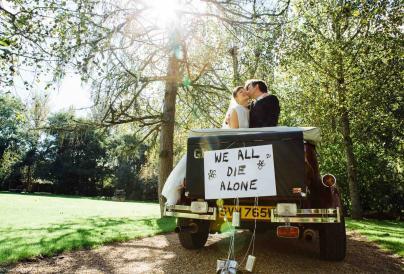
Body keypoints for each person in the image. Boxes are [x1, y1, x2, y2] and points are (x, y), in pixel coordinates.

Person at [162, 86, 250, 205]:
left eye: (245, 91)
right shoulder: (235, 110)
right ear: (235, 98)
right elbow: (232, 135)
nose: (244, 92)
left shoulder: (248, 111)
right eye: (241, 92)